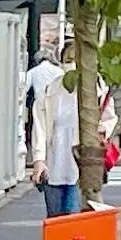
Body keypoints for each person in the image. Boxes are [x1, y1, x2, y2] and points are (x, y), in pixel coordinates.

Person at [24, 38, 80, 218]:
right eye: (67, 60)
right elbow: (39, 127)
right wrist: (39, 160)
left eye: (74, 59)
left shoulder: (94, 90)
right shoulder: (50, 91)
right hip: (54, 165)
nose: (70, 65)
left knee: (75, 221)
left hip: (80, 167)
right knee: (55, 222)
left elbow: (108, 118)